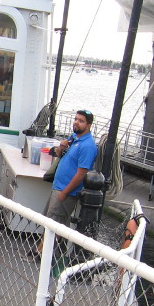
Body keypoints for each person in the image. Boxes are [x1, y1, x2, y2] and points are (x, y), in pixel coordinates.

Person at [27, 110, 98, 260]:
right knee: (50, 219)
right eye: (76, 119)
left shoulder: (88, 146)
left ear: (89, 125)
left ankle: (41, 253)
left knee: (55, 223)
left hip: (66, 192)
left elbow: (81, 174)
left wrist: (65, 192)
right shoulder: (74, 138)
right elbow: (59, 155)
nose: (76, 122)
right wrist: (61, 147)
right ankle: (43, 250)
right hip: (57, 186)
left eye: (81, 121)